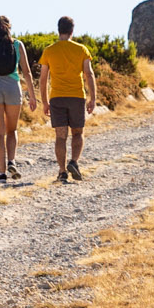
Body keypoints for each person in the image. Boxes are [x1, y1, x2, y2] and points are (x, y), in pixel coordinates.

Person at [36, 15, 97, 183]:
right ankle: (74, 162)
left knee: (60, 136)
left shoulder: (49, 50)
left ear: (58, 30)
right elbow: (89, 74)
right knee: (78, 132)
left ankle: (62, 171)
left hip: (57, 98)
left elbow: (43, 79)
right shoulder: (81, 49)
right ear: (72, 30)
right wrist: (93, 98)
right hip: (77, 96)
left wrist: (44, 101)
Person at [0, 13, 37, 184]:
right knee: (12, 130)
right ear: (9, 27)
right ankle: (12, 161)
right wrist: (32, 96)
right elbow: (26, 72)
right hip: (13, 87)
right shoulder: (17, 44)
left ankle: (2, 173)